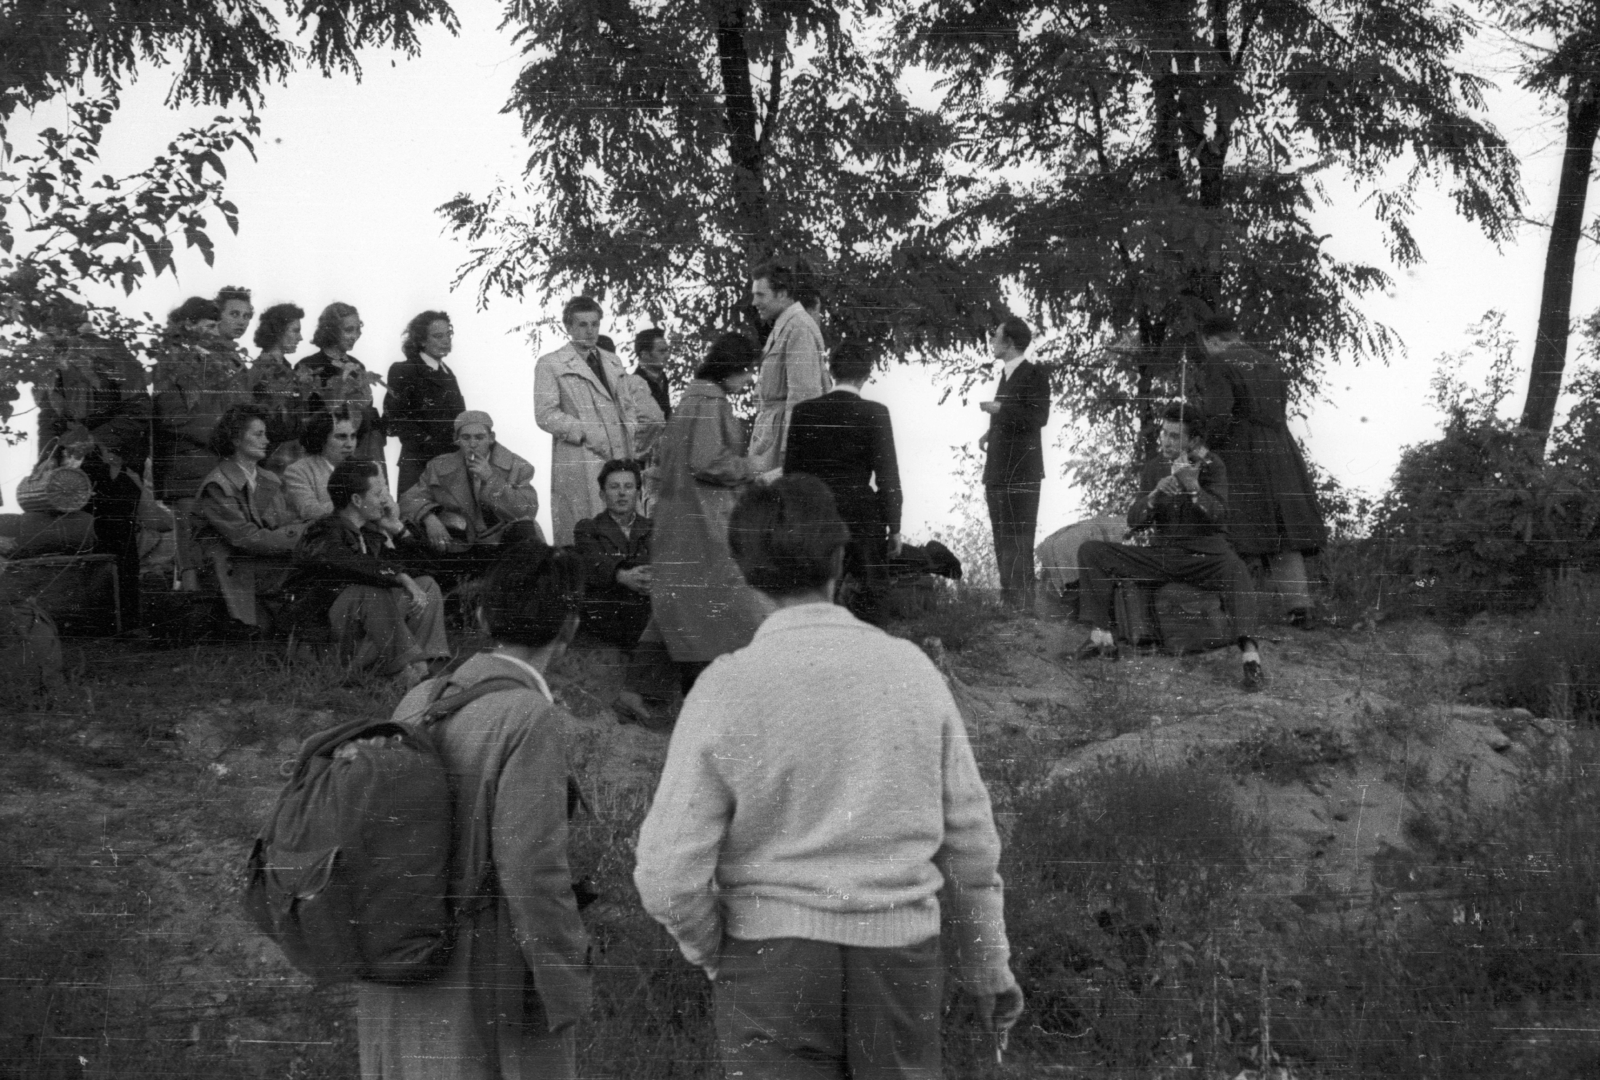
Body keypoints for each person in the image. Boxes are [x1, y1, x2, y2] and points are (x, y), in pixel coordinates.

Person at [634, 475, 1025, 1079]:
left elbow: (665, 875)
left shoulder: (724, 687)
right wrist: (986, 961)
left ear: (743, 572)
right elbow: (970, 840)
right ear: (840, 559)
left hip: (768, 965)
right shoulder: (912, 671)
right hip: (900, 961)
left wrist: (718, 950)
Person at [357, 543, 592, 1080]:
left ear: (484, 617)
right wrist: (566, 984)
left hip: (404, 957)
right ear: (570, 628)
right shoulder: (529, 717)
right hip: (481, 974)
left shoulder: (418, 698)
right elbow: (532, 871)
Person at [1074, 403, 1264, 690]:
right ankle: (1102, 637)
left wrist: (1194, 488)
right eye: (1164, 433)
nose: (1165, 440)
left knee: (1235, 568)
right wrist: (1153, 496)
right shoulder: (1154, 468)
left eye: (1175, 436)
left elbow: (1221, 517)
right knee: (1091, 551)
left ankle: (1250, 659)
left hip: (1205, 557)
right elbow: (1134, 522)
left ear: (1194, 441)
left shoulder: (1212, 465)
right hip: (1163, 557)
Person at [647, 333, 774, 692]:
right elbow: (706, 461)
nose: (750, 379)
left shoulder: (692, 400)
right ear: (730, 369)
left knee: (689, 608)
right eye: (747, 371)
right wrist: (751, 467)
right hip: (704, 518)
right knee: (725, 610)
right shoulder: (710, 403)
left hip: (680, 515)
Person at [1196, 316, 1328, 626]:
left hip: (1242, 454)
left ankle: (1234, 612)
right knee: (1283, 528)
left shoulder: (1219, 364)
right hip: (1281, 452)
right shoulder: (1271, 364)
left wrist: (1203, 450)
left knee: (1236, 526)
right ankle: (1300, 609)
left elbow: (1218, 416)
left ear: (1211, 341)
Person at [31, 307, 151, 628]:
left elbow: (139, 408)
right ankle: (86, 620)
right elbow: (47, 413)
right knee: (74, 537)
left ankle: (127, 623)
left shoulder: (113, 352)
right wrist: (45, 460)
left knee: (117, 537)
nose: (47, 337)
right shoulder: (51, 362)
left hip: (117, 460)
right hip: (71, 463)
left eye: (53, 329)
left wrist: (96, 441)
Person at [294, 459, 449, 688]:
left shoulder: (369, 535)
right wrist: (399, 576)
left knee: (425, 584)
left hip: (360, 638)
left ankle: (425, 668)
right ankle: (404, 671)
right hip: (324, 644)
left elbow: (426, 568)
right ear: (356, 500)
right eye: (377, 493)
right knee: (367, 592)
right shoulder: (324, 530)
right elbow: (347, 562)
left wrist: (398, 529)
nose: (385, 499)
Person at [783, 338, 902, 625]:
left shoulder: (803, 412)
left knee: (812, 596)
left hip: (816, 515)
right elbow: (888, 476)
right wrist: (894, 527)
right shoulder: (875, 413)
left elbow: (791, 476)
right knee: (872, 593)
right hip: (861, 515)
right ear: (866, 374)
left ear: (831, 371)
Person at [153, 296, 251, 591]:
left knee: (217, 545)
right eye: (208, 325)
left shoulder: (219, 359)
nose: (213, 330)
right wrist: (225, 437)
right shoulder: (171, 360)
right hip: (187, 466)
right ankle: (189, 617)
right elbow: (172, 415)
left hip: (218, 463)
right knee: (190, 549)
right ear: (188, 325)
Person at [533, 296, 639, 545]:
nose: (590, 331)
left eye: (594, 324)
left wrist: (631, 431)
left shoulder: (613, 361)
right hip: (581, 457)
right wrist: (585, 431)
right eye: (582, 325)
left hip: (620, 454)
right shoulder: (551, 364)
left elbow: (627, 406)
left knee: (625, 529)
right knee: (586, 529)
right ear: (568, 327)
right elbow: (545, 414)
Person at [193, 402, 308, 629]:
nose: (266, 441)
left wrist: (304, 533)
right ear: (236, 439)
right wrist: (301, 537)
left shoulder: (269, 479)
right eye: (258, 434)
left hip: (262, 562)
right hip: (233, 571)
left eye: (265, 434)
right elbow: (245, 538)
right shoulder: (218, 485)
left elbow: (286, 522)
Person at [399, 410, 542, 580]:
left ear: (491, 437)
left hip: (502, 545)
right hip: (459, 546)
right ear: (456, 439)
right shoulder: (439, 466)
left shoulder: (518, 466)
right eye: (466, 438)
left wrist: (490, 478)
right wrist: (429, 518)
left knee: (525, 529)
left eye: (479, 437)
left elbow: (526, 511)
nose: (473, 444)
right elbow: (408, 499)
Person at [979, 314, 1050, 612]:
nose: (992, 342)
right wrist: (989, 432)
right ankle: (1009, 603)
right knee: (1001, 535)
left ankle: (1023, 606)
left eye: (996, 336)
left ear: (1009, 342)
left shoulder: (1034, 374)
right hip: (998, 469)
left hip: (1022, 470)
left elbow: (1038, 418)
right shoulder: (1005, 374)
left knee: (1019, 536)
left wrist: (1000, 409)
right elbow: (1012, 417)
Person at [746, 257, 830, 473]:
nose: (754, 302)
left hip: (780, 450)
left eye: (760, 294)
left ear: (782, 294)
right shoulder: (785, 327)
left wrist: (791, 451)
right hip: (770, 442)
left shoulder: (798, 328)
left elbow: (804, 397)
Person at [572, 459, 653, 648]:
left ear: (638, 493)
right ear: (602, 494)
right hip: (610, 616)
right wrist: (622, 575)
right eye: (614, 487)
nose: (622, 493)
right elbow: (592, 562)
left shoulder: (654, 528)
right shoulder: (587, 528)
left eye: (628, 487)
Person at [296, 301, 385, 470]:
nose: (354, 336)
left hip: (353, 448)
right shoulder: (309, 365)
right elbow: (305, 414)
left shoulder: (357, 366)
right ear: (331, 330)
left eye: (357, 330)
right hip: (319, 452)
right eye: (348, 330)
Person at [387, 310, 467, 494]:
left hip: (450, 464)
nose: (446, 340)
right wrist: (427, 441)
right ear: (421, 340)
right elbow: (394, 417)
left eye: (448, 334)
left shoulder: (448, 374)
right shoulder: (404, 370)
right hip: (418, 464)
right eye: (438, 336)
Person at [250, 301, 309, 473]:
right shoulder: (266, 368)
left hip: (286, 454)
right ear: (277, 332)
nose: (300, 338)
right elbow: (274, 422)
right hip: (275, 457)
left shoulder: (283, 366)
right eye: (295, 330)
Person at [282, 408, 360, 521]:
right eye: (341, 437)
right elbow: (310, 512)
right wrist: (359, 503)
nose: (350, 444)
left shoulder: (364, 468)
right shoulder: (298, 471)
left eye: (353, 436)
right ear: (322, 439)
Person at [632, 328, 673, 420]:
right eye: (662, 352)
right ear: (644, 355)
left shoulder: (662, 378)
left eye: (667, 350)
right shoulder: (634, 385)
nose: (667, 356)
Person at [215, 285, 254, 350]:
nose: (241, 322)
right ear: (218, 315)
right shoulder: (203, 350)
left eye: (246, 316)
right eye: (234, 314)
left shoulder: (233, 352)